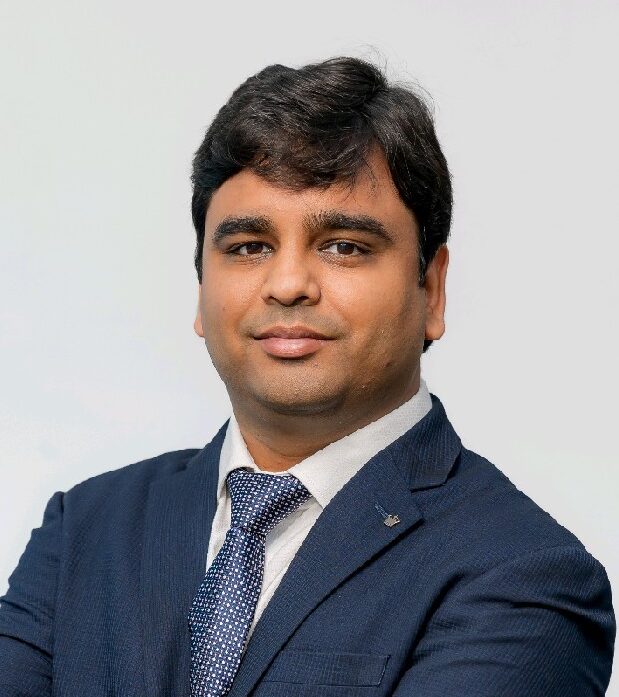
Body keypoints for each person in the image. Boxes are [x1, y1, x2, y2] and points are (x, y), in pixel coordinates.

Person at [0, 56, 615, 697]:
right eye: (248, 247)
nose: (288, 283)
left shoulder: (525, 578)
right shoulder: (85, 529)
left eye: (344, 246)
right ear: (202, 290)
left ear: (432, 290)